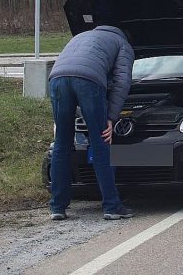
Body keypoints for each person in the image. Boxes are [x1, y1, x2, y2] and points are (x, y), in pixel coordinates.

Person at [48, 25, 135, 221]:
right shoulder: (123, 45)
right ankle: (112, 206)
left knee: (62, 144)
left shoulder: (82, 36)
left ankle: (57, 207)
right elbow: (122, 83)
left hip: (57, 79)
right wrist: (111, 118)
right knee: (101, 142)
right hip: (88, 81)